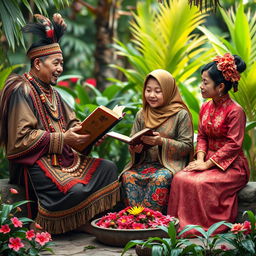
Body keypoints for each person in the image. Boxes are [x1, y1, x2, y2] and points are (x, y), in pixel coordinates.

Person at [0, 14, 120, 234]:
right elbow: (19, 140)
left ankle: (83, 219)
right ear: (37, 63)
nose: (60, 69)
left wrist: (91, 134)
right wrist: (64, 138)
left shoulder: (53, 93)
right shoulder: (21, 90)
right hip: (35, 163)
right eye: (56, 63)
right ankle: (75, 222)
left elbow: (73, 125)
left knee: (109, 169)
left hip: (65, 159)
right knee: (74, 190)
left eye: (62, 63)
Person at [167, 53, 250, 235]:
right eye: (202, 81)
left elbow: (233, 146)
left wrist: (206, 165)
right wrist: (200, 159)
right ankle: (178, 225)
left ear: (220, 86)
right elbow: (202, 136)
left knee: (200, 183)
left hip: (232, 166)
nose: (201, 86)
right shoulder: (206, 106)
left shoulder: (236, 111)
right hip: (207, 161)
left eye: (205, 82)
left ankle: (200, 229)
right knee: (181, 177)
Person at [120, 69, 194, 213]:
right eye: (148, 90)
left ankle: (152, 220)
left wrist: (161, 142)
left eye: (158, 91)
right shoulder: (142, 114)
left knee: (161, 178)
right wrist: (135, 149)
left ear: (167, 91)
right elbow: (133, 140)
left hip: (169, 166)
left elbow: (187, 146)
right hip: (144, 164)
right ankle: (136, 219)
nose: (151, 95)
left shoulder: (180, 114)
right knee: (128, 176)